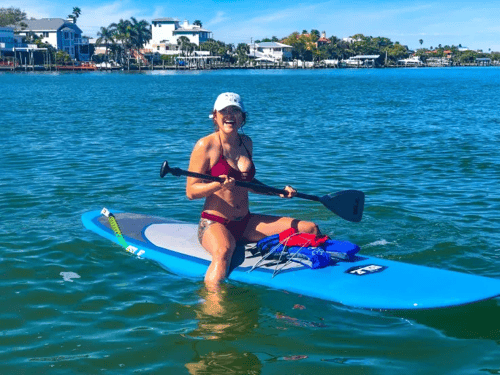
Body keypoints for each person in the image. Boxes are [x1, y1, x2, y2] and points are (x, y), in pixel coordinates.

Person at [186, 92, 320, 288]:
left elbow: (248, 182)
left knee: (310, 228)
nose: (229, 115)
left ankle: (330, 270)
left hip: (246, 222)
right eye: (224, 111)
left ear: (243, 117)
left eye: (235, 111)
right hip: (215, 223)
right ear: (215, 116)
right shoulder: (205, 145)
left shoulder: (246, 143)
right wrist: (217, 184)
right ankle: (212, 309)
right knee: (224, 252)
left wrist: (278, 192)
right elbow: (191, 191)